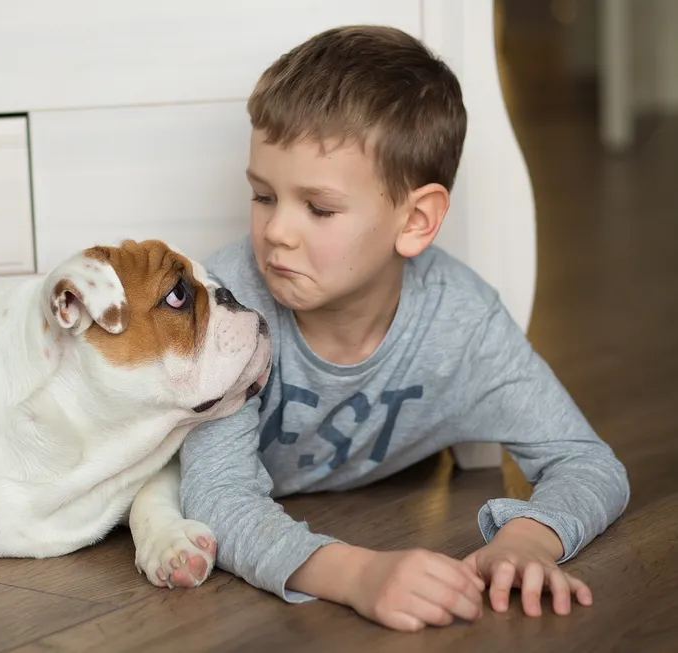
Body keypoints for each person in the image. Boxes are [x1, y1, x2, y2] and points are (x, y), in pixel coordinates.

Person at [179, 25, 629, 633]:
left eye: (318, 208)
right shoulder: (227, 305)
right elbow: (216, 499)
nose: (277, 232)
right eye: (263, 196)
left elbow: (587, 463)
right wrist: (357, 575)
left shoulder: (461, 324)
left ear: (416, 220)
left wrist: (527, 543)